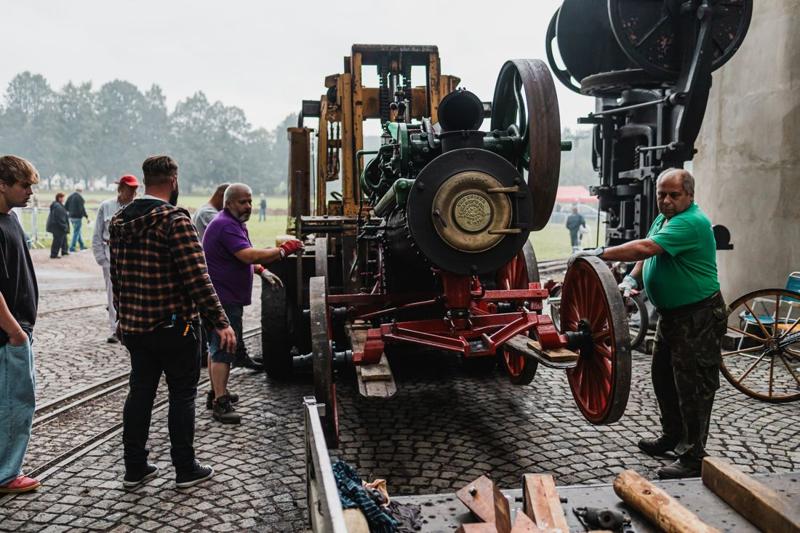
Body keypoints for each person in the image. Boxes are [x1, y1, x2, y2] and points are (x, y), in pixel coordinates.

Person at [572, 168, 726, 479]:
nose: (666, 201)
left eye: (674, 195)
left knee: (693, 386)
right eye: (661, 194)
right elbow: (649, 252)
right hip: (672, 316)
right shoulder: (665, 219)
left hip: (698, 316)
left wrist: (598, 252)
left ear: (690, 196)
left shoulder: (692, 222)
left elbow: (645, 248)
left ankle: (694, 455)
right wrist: (630, 279)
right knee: (663, 378)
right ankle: (672, 436)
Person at [109, 155, 236, 489]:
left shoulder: (119, 220)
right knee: (182, 396)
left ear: (146, 179)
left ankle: (135, 468)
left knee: (139, 393)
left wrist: (122, 319)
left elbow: (116, 278)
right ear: (173, 180)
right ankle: (184, 468)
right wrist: (220, 322)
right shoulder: (175, 220)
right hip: (173, 327)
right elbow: (197, 277)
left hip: (136, 327)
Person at [202, 183, 301, 424]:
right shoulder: (225, 225)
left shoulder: (234, 224)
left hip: (223, 297)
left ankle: (215, 391)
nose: (248, 206)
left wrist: (260, 270)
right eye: (242, 202)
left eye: (250, 201)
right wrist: (282, 251)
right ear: (228, 203)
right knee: (224, 349)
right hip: (224, 299)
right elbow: (246, 255)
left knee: (215, 347)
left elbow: (239, 255)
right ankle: (220, 404)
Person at [0, 155, 41, 494]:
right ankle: (5, 474)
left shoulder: (10, 219)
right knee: (15, 404)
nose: (29, 192)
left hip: (15, 331)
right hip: (8, 335)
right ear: (2, 184)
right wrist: (14, 331)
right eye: (24, 185)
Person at [92, 175, 139, 343]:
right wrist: (102, 260)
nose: (133, 193)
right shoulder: (106, 206)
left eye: (135, 190)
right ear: (121, 189)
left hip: (132, 257)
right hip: (110, 255)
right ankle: (115, 328)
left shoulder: (137, 208)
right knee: (112, 294)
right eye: (129, 189)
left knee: (132, 293)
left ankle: (129, 326)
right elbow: (97, 234)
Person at [65, 186, 89, 252]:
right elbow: (82, 209)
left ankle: (82, 245)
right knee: (76, 232)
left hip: (71, 217)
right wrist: (86, 216)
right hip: (77, 217)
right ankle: (72, 247)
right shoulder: (80, 198)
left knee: (78, 231)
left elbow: (66, 206)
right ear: (81, 190)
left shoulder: (70, 196)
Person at [46, 192, 70, 259]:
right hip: (57, 227)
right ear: (59, 198)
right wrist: (64, 226)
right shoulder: (58, 206)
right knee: (57, 240)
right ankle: (53, 255)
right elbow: (59, 218)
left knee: (64, 239)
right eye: (62, 197)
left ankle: (64, 251)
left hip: (57, 226)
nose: (63, 199)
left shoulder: (58, 205)